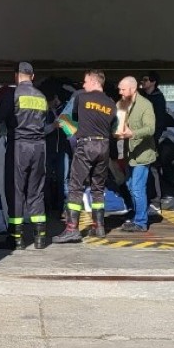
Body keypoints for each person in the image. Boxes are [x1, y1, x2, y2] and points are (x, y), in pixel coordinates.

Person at [0, 62, 48, 250]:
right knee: (36, 191)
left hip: (19, 146)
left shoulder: (12, 95)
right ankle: (40, 238)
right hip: (39, 147)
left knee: (15, 191)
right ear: (33, 76)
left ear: (16, 76)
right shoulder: (41, 96)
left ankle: (16, 239)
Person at [52, 70, 116, 243]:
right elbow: (113, 127)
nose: (83, 85)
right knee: (98, 188)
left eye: (86, 81)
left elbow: (73, 118)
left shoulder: (81, 97)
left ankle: (72, 229)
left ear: (95, 82)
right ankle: (99, 226)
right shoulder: (111, 104)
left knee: (75, 186)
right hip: (104, 146)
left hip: (86, 145)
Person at [115, 76, 157, 232]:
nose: (120, 92)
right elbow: (117, 125)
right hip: (127, 154)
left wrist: (132, 134)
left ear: (133, 89)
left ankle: (141, 222)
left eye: (123, 89)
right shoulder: (120, 104)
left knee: (137, 187)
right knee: (129, 185)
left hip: (142, 153)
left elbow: (150, 129)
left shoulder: (145, 105)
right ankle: (138, 214)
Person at [140, 71, 174, 215]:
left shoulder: (158, 99)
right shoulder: (143, 96)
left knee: (152, 169)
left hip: (151, 139)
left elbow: (159, 121)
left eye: (145, 79)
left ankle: (155, 201)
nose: (143, 82)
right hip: (142, 138)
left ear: (153, 82)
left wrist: (154, 138)